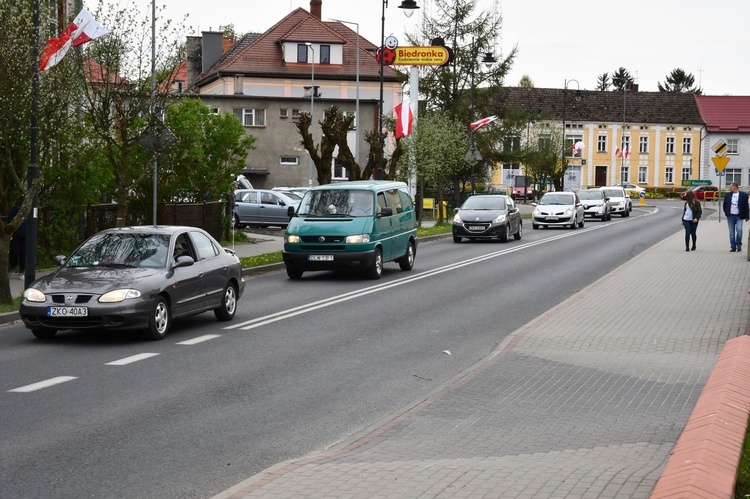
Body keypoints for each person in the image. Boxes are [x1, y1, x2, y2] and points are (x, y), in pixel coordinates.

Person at [722, 182, 749, 252]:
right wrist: (726, 212)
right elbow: (724, 204)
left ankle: (739, 244)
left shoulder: (743, 195)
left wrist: (747, 216)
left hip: (739, 216)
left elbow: (746, 206)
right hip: (730, 216)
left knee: (739, 229)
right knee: (731, 232)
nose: (729, 188)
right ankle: (733, 246)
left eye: (730, 187)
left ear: (735, 187)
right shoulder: (728, 195)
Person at [8, 204, 27, 276]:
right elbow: (10, 220)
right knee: (14, 252)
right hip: (16, 234)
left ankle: (22, 270)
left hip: (25, 234)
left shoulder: (28, 209)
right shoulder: (15, 208)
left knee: (23, 254)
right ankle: (13, 267)